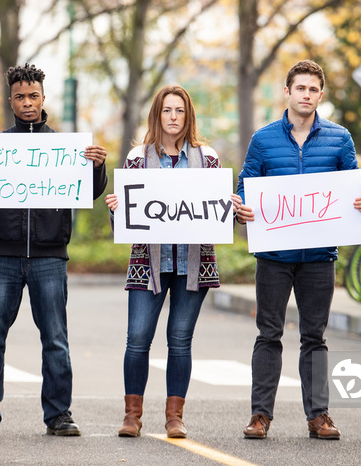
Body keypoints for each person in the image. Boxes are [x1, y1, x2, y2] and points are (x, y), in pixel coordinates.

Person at [0, 63, 108, 438]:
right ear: (11, 100)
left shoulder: (65, 147)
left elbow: (89, 192)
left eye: (33, 96)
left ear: (43, 98)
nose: (27, 103)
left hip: (49, 256)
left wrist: (97, 168)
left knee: (55, 338)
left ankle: (59, 415)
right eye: (20, 97)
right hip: (1, 256)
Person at [236, 60, 361, 440]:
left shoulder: (339, 139)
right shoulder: (263, 139)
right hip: (274, 258)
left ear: (320, 96)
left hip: (318, 257)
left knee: (315, 337)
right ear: (287, 92)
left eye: (313, 90)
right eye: (300, 88)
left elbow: (353, 188)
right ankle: (260, 415)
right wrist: (242, 208)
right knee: (268, 334)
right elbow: (247, 185)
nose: (306, 95)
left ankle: (319, 416)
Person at [105, 85, 241, 439]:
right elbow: (125, 223)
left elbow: (218, 217)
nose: (173, 117)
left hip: (194, 264)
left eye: (180, 111)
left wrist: (231, 208)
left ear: (188, 115)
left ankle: (174, 418)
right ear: (157, 114)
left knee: (180, 340)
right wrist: (117, 210)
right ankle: (132, 416)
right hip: (148, 264)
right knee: (137, 339)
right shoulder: (137, 158)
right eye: (167, 111)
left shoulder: (207, 157)